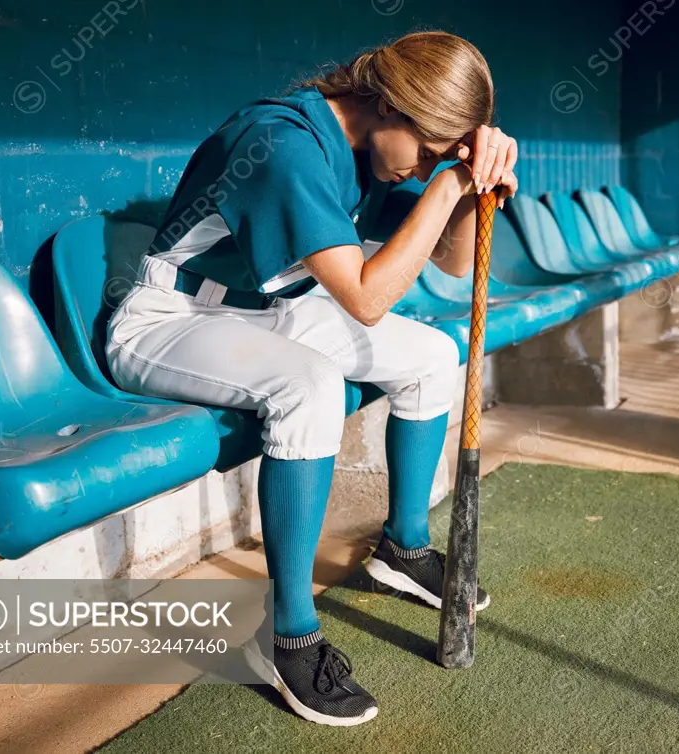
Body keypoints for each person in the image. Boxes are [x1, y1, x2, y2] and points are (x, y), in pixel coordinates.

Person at [104, 30, 518, 726]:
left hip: (269, 314)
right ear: (387, 103)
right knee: (311, 386)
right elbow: (363, 297)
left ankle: (403, 547)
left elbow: (448, 263)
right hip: (167, 319)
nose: (420, 170)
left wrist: (476, 188)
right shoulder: (283, 143)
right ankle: (288, 635)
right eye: (425, 150)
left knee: (429, 356)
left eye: (437, 159)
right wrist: (449, 180)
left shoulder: (366, 150)